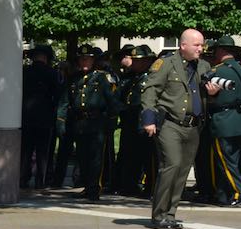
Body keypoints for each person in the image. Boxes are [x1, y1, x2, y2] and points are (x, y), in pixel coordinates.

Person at [141, 29, 210, 229]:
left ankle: (170, 214)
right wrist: (149, 119)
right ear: (183, 46)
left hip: (193, 125)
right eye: (196, 44)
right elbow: (150, 89)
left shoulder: (203, 66)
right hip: (170, 123)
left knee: (182, 170)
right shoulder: (166, 64)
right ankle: (159, 214)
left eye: (201, 44)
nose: (200, 48)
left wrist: (214, 92)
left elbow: (205, 93)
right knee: (172, 164)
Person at [57, 45, 120, 200]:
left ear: (93, 60)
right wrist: (61, 121)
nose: (85, 61)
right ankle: (87, 186)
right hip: (80, 123)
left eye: (88, 58)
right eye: (82, 58)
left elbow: (112, 101)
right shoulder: (73, 78)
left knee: (96, 157)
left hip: (97, 122)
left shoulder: (102, 78)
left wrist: (111, 121)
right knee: (82, 157)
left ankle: (94, 188)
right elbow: (65, 101)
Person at [204, 35, 241, 205]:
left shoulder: (218, 70)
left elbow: (211, 95)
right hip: (239, 120)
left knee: (225, 161)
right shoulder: (239, 68)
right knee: (233, 160)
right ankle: (224, 194)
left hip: (224, 120)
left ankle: (240, 192)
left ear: (220, 50)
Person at [114, 46, 156, 197]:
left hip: (144, 119)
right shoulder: (129, 77)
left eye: (138, 61)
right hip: (129, 119)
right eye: (134, 60)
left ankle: (150, 187)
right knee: (130, 155)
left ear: (147, 61)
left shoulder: (152, 77)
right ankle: (129, 185)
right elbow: (119, 96)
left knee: (148, 156)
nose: (134, 63)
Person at [20, 46, 58, 189]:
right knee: (43, 152)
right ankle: (41, 181)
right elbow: (57, 94)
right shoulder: (52, 73)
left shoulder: (25, 72)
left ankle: (22, 178)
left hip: (26, 116)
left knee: (26, 151)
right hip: (45, 117)